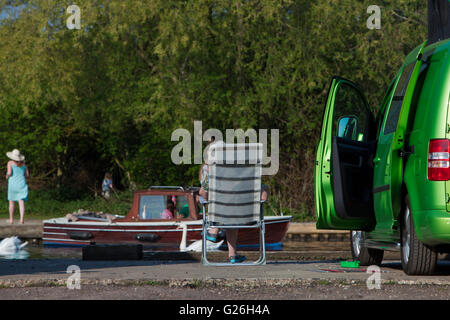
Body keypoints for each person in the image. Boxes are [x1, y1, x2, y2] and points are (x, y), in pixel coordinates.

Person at [5, 149, 29, 225]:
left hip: (13, 184)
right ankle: (21, 219)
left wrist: (7, 176)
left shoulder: (10, 163)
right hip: (22, 184)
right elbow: (27, 175)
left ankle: (11, 219)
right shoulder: (24, 164)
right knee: (21, 202)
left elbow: (9, 173)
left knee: (11, 202)